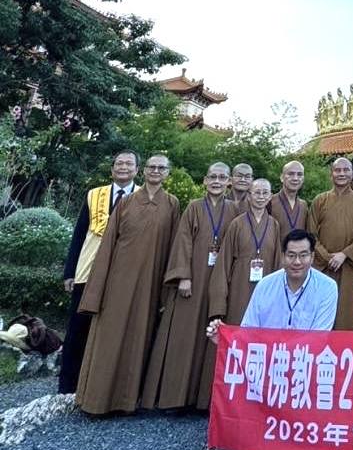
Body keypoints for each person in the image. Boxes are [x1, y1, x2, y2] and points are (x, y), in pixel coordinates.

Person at [75, 154, 179, 415]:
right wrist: (98, 287)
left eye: (161, 168)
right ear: (143, 171)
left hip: (149, 283)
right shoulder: (127, 201)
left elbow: (174, 247)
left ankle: (126, 401)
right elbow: (108, 243)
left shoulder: (172, 204)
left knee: (138, 337)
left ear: (167, 173)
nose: (156, 171)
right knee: (108, 337)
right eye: (152, 167)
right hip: (118, 281)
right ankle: (95, 401)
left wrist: (168, 289)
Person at [142, 163, 240, 410]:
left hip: (220, 279)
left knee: (212, 336)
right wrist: (183, 275)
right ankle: (176, 397)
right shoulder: (195, 207)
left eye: (221, 177)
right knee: (184, 335)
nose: (217, 181)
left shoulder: (235, 209)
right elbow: (183, 240)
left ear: (229, 182)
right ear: (205, 180)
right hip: (194, 277)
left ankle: (204, 399)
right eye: (212, 177)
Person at [59, 150, 139, 394]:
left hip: (123, 273)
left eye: (129, 163)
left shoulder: (143, 197)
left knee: (113, 328)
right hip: (89, 270)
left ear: (137, 169)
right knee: (78, 326)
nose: (123, 167)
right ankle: (68, 386)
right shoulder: (95, 195)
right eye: (119, 163)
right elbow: (80, 233)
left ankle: (102, 387)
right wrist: (70, 271)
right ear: (112, 168)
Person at [207, 230, 337, 342]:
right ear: (282, 257)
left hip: (304, 362)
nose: (297, 262)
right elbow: (248, 330)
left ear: (312, 257)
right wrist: (226, 338)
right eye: (291, 255)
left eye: (303, 255)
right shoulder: (265, 285)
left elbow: (319, 338)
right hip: (268, 362)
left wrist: (280, 350)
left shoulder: (327, 288)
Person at [307, 157, 353, 330]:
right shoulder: (320, 201)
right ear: (331, 175)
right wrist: (327, 257)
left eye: (345, 170)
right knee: (321, 309)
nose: (341, 173)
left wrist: (344, 255)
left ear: (352, 174)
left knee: (346, 311)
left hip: (348, 265)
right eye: (337, 170)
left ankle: (346, 351)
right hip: (323, 266)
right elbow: (311, 234)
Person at [208, 179, 281, 325]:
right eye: (257, 193)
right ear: (249, 196)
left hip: (265, 286)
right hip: (239, 285)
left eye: (265, 193)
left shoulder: (274, 224)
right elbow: (224, 263)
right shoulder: (237, 224)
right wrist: (219, 304)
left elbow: (278, 261)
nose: (261, 197)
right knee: (237, 324)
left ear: (270, 196)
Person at [270, 161, 307, 236]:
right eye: (291, 174)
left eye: (299, 174)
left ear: (303, 179)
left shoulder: (303, 205)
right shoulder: (269, 202)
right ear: (282, 177)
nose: (295, 178)